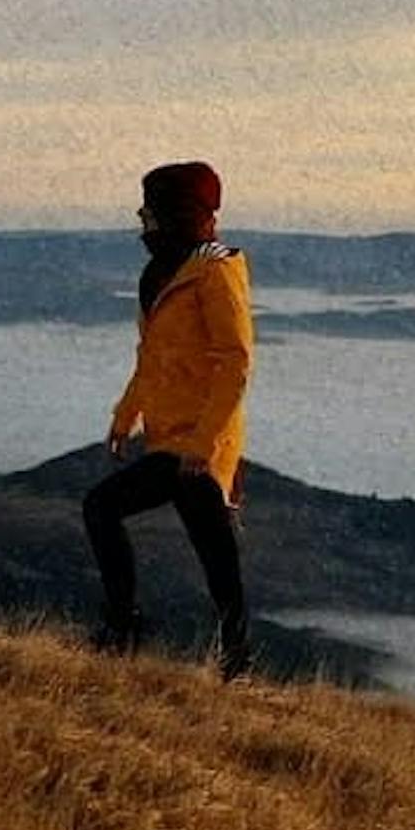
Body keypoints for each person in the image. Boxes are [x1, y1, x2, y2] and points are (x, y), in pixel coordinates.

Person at [85, 161, 257, 679]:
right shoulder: (162, 273)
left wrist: (202, 446)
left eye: (151, 210)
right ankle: (232, 659)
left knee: (108, 511)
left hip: (199, 446)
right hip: (170, 439)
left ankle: (126, 629)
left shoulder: (215, 268)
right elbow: (152, 357)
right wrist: (126, 415)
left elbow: (236, 361)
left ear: (177, 214)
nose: (142, 219)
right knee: (215, 559)